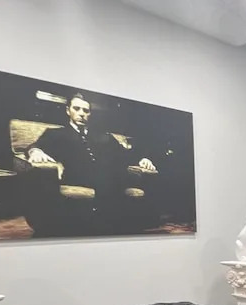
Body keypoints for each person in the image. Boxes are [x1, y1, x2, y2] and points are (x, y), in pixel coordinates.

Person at [25, 92, 157, 234]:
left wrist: (142, 159)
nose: (81, 113)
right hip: (76, 176)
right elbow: (34, 146)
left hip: (109, 178)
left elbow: (124, 154)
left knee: (122, 175)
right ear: (68, 110)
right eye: (76, 109)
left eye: (86, 110)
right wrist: (35, 151)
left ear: (90, 114)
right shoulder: (56, 134)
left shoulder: (103, 136)